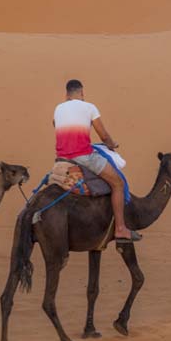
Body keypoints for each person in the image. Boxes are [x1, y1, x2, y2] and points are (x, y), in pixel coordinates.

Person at [54, 79, 140, 244]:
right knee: (118, 184)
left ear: (66, 95)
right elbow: (104, 136)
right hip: (83, 156)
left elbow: (55, 124)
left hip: (62, 157)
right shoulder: (89, 107)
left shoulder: (58, 108)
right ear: (82, 93)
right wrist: (112, 144)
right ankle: (121, 228)